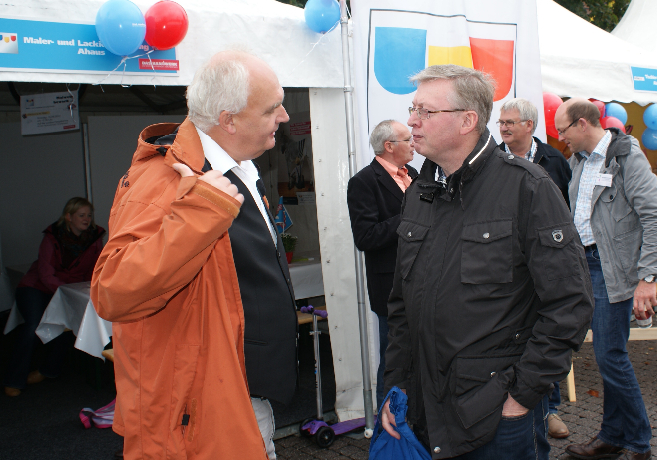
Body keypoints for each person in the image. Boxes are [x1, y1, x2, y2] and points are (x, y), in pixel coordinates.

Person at [381, 65, 594, 460]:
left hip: (497, 418)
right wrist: (397, 387)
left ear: (467, 121)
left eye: (425, 111)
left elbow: (570, 303)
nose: (412, 121)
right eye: (413, 109)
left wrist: (522, 395)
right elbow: (402, 307)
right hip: (425, 410)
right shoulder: (420, 193)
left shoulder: (528, 187)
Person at [91, 50, 296, 460]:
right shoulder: (163, 177)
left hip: (236, 395)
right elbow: (112, 291)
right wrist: (201, 211)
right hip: (201, 413)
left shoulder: (235, 168)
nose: (285, 116)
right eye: (272, 107)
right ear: (229, 120)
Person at [555, 98, 657, 460]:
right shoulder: (578, 161)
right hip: (586, 266)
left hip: (611, 269)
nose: (560, 138)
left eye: (563, 130)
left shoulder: (626, 158)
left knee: (610, 356)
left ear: (582, 124)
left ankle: (638, 442)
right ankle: (612, 436)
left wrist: (648, 278)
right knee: (608, 355)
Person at [497, 97, 572, 439]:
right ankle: (510, 405)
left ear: (529, 125)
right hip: (508, 266)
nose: (504, 127)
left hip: (546, 265)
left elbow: (567, 210)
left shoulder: (554, 160)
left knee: (547, 334)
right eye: (501, 122)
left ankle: (550, 409)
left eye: (510, 122)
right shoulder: (492, 160)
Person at [3, 197, 105, 397]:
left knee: (66, 323)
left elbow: (95, 269)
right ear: (69, 217)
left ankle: (48, 370)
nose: (87, 219)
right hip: (37, 288)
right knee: (33, 326)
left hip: (67, 290)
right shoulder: (52, 237)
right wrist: (65, 293)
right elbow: (45, 273)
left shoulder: (94, 239)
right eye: (81, 215)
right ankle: (13, 379)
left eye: (89, 215)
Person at [347, 120, 418, 401]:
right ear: (389, 146)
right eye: (407, 139)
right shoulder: (364, 181)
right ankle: (387, 422)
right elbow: (365, 237)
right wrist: (410, 218)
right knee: (394, 361)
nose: (413, 143)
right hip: (391, 288)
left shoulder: (414, 174)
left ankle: (417, 418)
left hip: (424, 281)